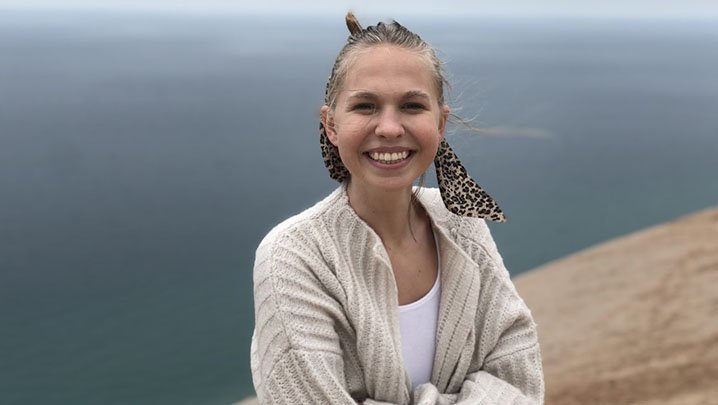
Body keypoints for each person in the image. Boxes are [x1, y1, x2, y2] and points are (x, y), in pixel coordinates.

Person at [250, 12, 544, 405]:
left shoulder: (462, 224)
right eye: (366, 106)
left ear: (440, 123)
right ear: (331, 124)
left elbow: (520, 382)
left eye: (411, 105)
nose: (389, 127)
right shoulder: (294, 255)